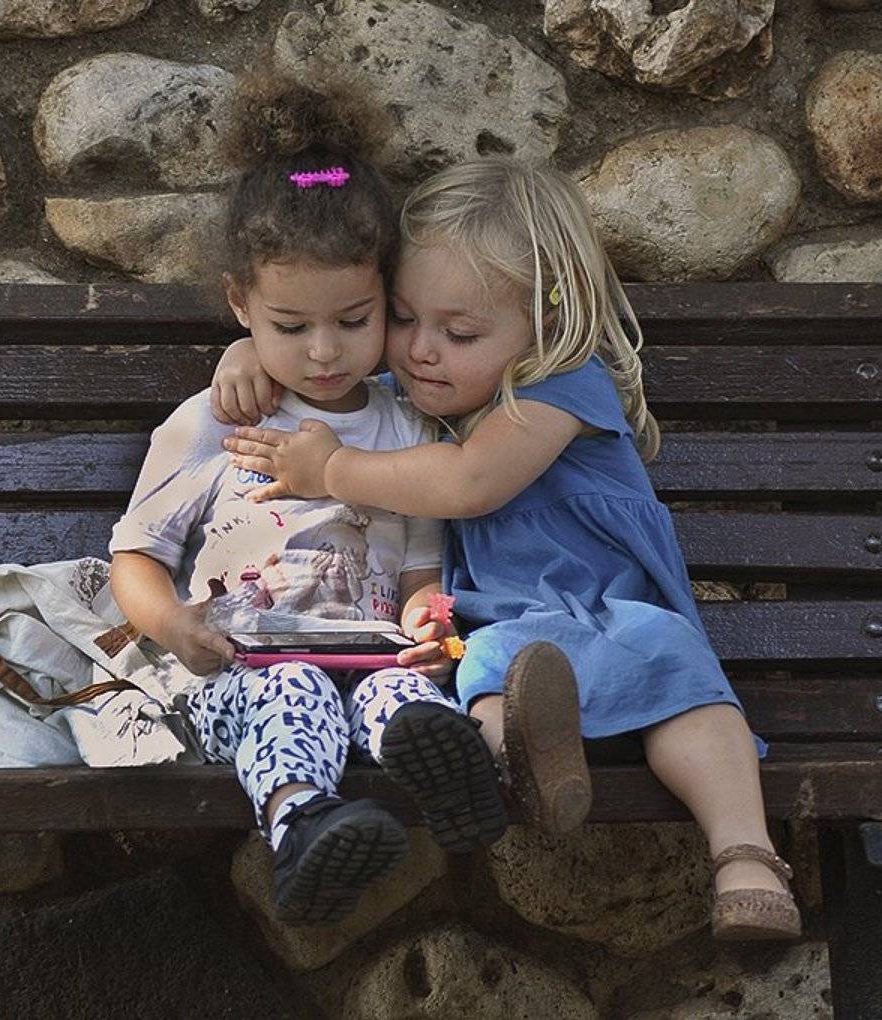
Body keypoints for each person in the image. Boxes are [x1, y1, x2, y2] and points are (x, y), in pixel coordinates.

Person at [216, 157, 802, 941]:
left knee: (679, 670)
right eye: (402, 318)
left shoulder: (564, 386)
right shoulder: (415, 396)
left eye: (459, 333)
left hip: (608, 609)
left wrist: (332, 469)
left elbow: (470, 482)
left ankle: (747, 861)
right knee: (487, 674)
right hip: (500, 632)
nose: (420, 351)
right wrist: (246, 355)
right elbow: (332, 376)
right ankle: (537, 768)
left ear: (545, 326)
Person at [108, 71, 506, 928]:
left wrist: (427, 626)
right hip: (241, 673)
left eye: (355, 321)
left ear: (388, 297)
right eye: (290, 327)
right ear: (239, 302)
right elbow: (134, 558)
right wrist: (174, 626)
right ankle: (302, 828)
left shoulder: (405, 428)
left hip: (367, 661)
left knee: (404, 701)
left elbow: (420, 572)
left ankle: (449, 778)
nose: (324, 352)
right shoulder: (213, 422)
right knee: (293, 687)